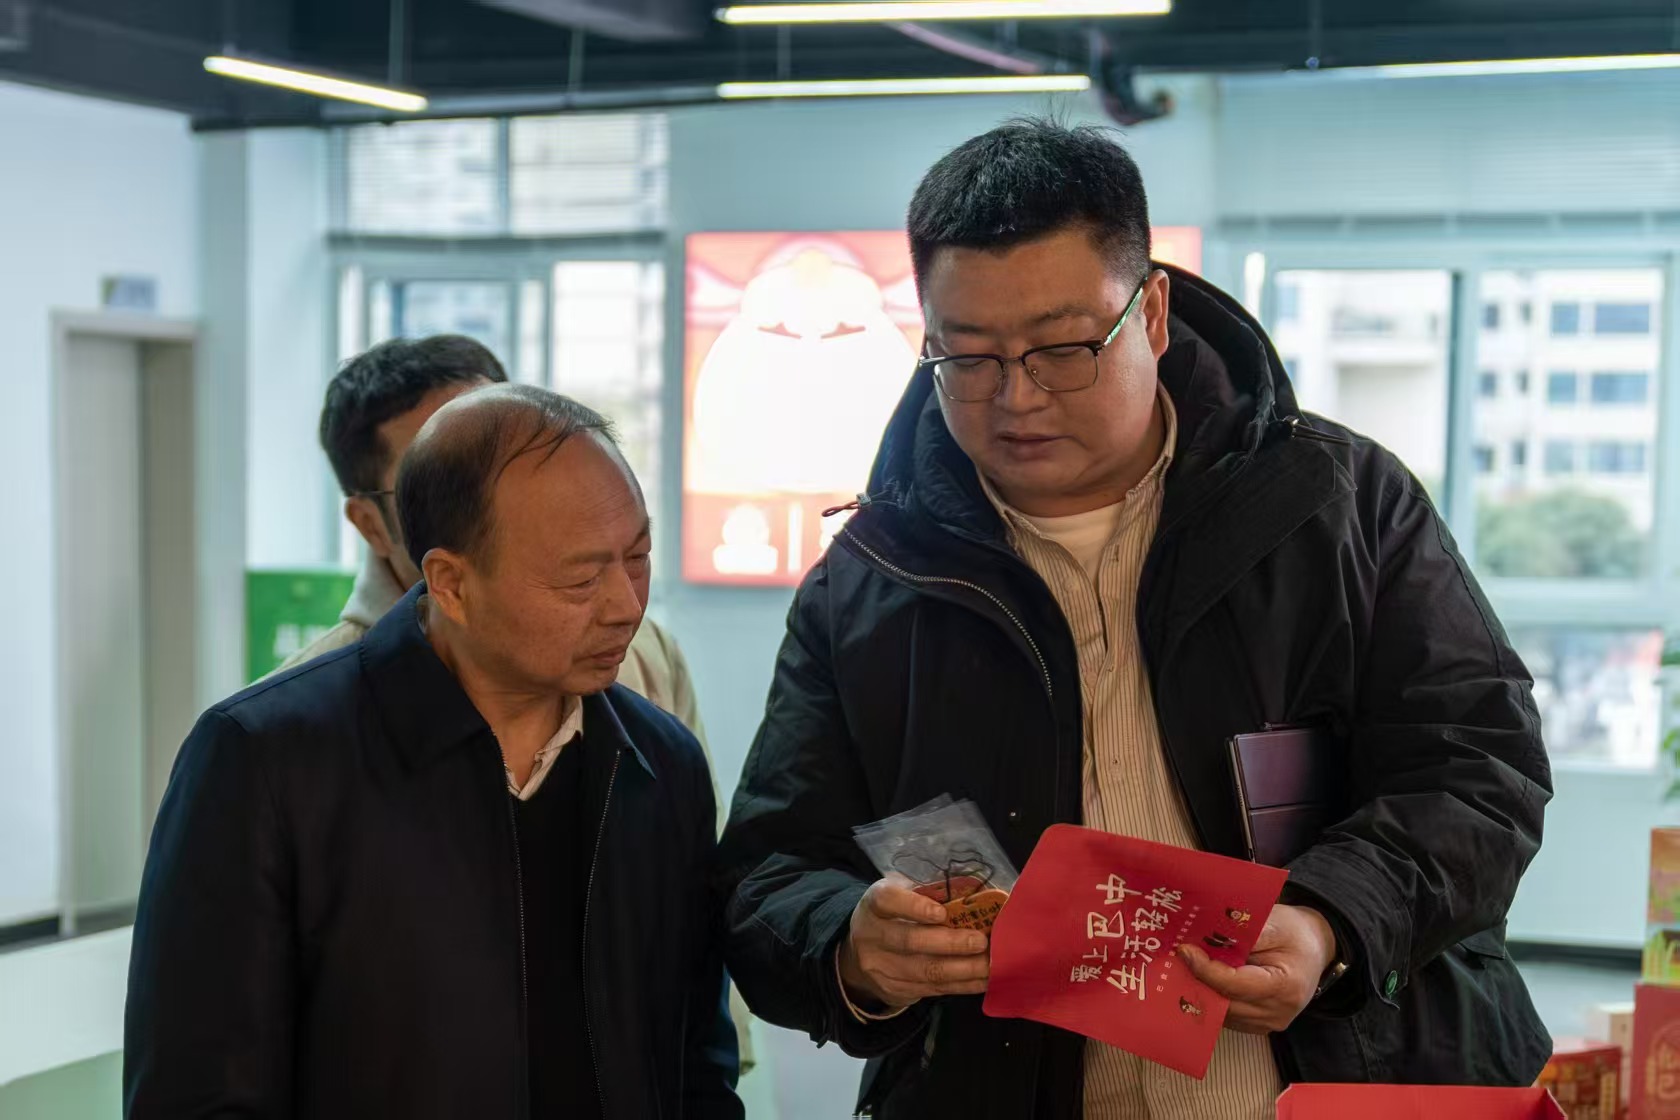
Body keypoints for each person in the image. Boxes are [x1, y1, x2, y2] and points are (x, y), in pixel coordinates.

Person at [717, 120, 1551, 1118]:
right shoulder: (871, 583)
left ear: (1150, 313)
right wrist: (851, 943)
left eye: (1063, 348)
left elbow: (1478, 766)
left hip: (1344, 1084)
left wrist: (1331, 919)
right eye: (968, 357)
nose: (1016, 397)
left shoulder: (1334, 506)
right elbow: (769, 872)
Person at [126, 386, 742, 1120]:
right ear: (451, 582)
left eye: (637, 557)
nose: (624, 605)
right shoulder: (268, 761)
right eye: (581, 578)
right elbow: (199, 1092)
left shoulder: (658, 763)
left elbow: (694, 1066)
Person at [275, 334, 706, 744]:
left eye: (512, 463)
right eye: (442, 481)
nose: (623, 609)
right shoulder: (294, 719)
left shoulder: (642, 656)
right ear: (370, 524)